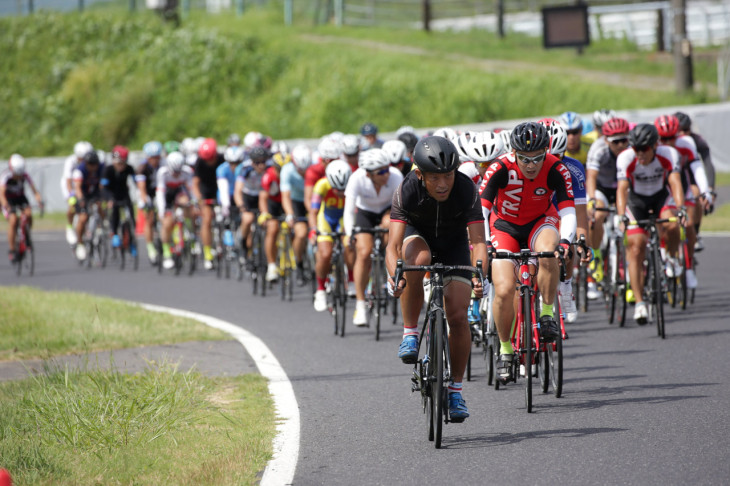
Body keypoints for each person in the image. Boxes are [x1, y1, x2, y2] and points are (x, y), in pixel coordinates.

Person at [386, 135, 487, 423]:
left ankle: (455, 389)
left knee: (457, 317)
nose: (443, 184)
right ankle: (410, 333)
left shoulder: (467, 189)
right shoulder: (406, 190)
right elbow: (393, 247)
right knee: (417, 261)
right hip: (418, 238)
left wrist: (480, 273)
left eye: (448, 176)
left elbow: (479, 242)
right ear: (420, 175)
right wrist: (396, 275)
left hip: (454, 244)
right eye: (434, 178)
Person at [479, 122, 576, 383]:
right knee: (503, 288)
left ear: (546, 151)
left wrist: (566, 241)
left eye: (537, 158)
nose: (531, 165)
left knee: (548, 252)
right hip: (503, 227)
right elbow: (482, 210)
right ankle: (506, 349)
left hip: (540, 222)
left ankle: (546, 314)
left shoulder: (556, 167)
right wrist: (486, 243)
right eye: (524, 159)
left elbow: (567, 210)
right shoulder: (499, 168)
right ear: (513, 152)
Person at [616, 123, 685, 324]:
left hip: (660, 197)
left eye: (644, 149)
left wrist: (681, 209)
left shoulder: (668, 154)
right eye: (636, 148)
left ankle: (672, 257)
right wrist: (622, 216)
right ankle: (639, 304)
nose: (640, 154)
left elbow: (675, 183)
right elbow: (622, 189)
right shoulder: (626, 158)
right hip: (637, 202)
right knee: (636, 247)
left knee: (672, 225)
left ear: (655, 145)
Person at [344, 148, 403, 326]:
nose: (387, 173)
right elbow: (348, 210)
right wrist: (349, 234)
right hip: (365, 213)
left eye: (387, 168)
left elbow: (400, 208)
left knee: (388, 228)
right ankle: (360, 305)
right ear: (369, 174)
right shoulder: (356, 179)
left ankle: (386, 268)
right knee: (363, 252)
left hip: (387, 211)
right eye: (381, 172)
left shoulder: (395, 176)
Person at [539, 119, 591, 323]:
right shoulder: (529, 167)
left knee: (567, 248)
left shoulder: (574, 168)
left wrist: (583, 241)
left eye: (559, 156)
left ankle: (566, 286)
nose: (555, 161)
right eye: (549, 156)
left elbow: (579, 213)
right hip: (537, 215)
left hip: (561, 213)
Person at [654, 114, 712, 290]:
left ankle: (688, 268)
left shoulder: (686, 143)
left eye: (672, 137)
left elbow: (697, 167)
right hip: (662, 188)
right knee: (663, 225)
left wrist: (705, 191)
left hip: (682, 185)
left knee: (687, 225)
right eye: (663, 139)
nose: (668, 142)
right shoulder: (652, 147)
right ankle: (663, 251)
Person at [585, 117, 631, 300]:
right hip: (602, 189)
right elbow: (591, 178)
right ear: (606, 140)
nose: (621, 145)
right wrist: (592, 201)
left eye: (624, 140)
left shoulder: (632, 149)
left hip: (624, 188)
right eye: (616, 141)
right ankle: (595, 256)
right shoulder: (598, 149)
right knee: (597, 215)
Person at [311, 160, 354, 312]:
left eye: (343, 190)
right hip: (326, 219)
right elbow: (314, 211)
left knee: (349, 244)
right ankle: (321, 289)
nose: (340, 193)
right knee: (325, 254)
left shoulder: (353, 182)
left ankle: (351, 279)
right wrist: (313, 229)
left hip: (344, 218)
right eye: (336, 189)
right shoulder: (321, 185)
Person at [674, 111, 715, 252]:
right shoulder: (667, 141)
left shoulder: (696, 141)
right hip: (671, 177)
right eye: (679, 131)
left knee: (696, 192)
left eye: (686, 130)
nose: (682, 134)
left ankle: (695, 232)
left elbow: (707, 164)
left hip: (689, 174)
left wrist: (709, 189)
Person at [281, 144, 313, 285]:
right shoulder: (287, 170)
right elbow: (285, 196)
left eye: (305, 170)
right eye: (300, 170)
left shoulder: (314, 167)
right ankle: (299, 264)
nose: (303, 173)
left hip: (312, 201)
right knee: (300, 233)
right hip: (296, 202)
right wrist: (289, 214)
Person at [156, 151, 195, 270]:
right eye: (175, 172)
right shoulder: (163, 173)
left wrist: (194, 203)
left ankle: (190, 234)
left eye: (179, 172)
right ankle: (167, 252)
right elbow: (160, 193)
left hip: (180, 192)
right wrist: (161, 210)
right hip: (167, 195)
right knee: (167, 223)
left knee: (189, 207)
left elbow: (191, 189)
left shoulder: (187, 171)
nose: (177, 174)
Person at [1, 154, 43, 262]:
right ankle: (12, 249)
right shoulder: (5, 176)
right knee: (13, 220)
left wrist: (39, 201)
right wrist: (7, 206)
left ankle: (27, 234)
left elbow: (34, 190)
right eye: (17, 174)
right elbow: (1, 194)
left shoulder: (25, 175)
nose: (19, 177)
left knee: (28, 214)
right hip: (8, 200)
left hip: (20, 198)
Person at [192, 137, 224, 270]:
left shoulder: (222, 159)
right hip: (205, 191)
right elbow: (195, 183)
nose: (209, 162)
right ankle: (207, 253)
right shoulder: (199, 162)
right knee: (207, 219)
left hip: (220, 188)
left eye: (211, 159)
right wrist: (199, 198)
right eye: (207, 160)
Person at [233, 146, 269, 264]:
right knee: (248, 219)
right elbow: (238, 190)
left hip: (262, 197)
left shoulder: (269, 169)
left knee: (267, 222)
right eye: (257, 162)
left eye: (263, 162)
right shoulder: (245, 168)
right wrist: (241, 206)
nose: (261, 165)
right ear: (252, 162)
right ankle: (243, 245)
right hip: (248, 197)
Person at [259, 149, 287, 282]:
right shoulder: (268, 175)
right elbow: (263, 197)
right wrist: (264, 213)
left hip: (287, 202)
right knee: (273, 229)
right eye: (279, 170)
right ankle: (271, 266)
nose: (282, 173)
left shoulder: (290, 175)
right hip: (273, 204)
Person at [101, 146, 137, 253]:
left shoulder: (129, 168)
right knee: (115, 212)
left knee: (131, 216)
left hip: (124, 194)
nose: (120, 166)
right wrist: (108, 200)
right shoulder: (108, 170)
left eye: (122, 163)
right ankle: (115, 233)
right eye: (118, 163)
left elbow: (137, 182)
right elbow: (103, 188)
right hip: (112, 194)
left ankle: (131, 241)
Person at [72, 151, 105, 261]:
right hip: (83, 194)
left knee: (100, 207)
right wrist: (81, 199)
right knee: (83, 217)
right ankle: (80, 242)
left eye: (95, 164)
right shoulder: (80, 171)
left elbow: (103, 183)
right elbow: (77, 187)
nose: (93, 167)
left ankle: (102, 226)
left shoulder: (101, 168)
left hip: (94, 193)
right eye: (91, 164)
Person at [137, 141, 165, 264]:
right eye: (152, 158)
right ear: (147, 157)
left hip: (161, 191)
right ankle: (150, 248)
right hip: (147, 193)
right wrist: (146, 200)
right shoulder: (142, 168)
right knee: (149, 219)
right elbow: (142, 188)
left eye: (157, 157)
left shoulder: (164, 164)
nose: (155, 160)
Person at [61, 141, 93, 245]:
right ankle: (69, 226)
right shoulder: (70, 161)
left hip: (84, 183)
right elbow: (68, 181)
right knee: (73, 204)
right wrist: (71, 195)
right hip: (71, 185)